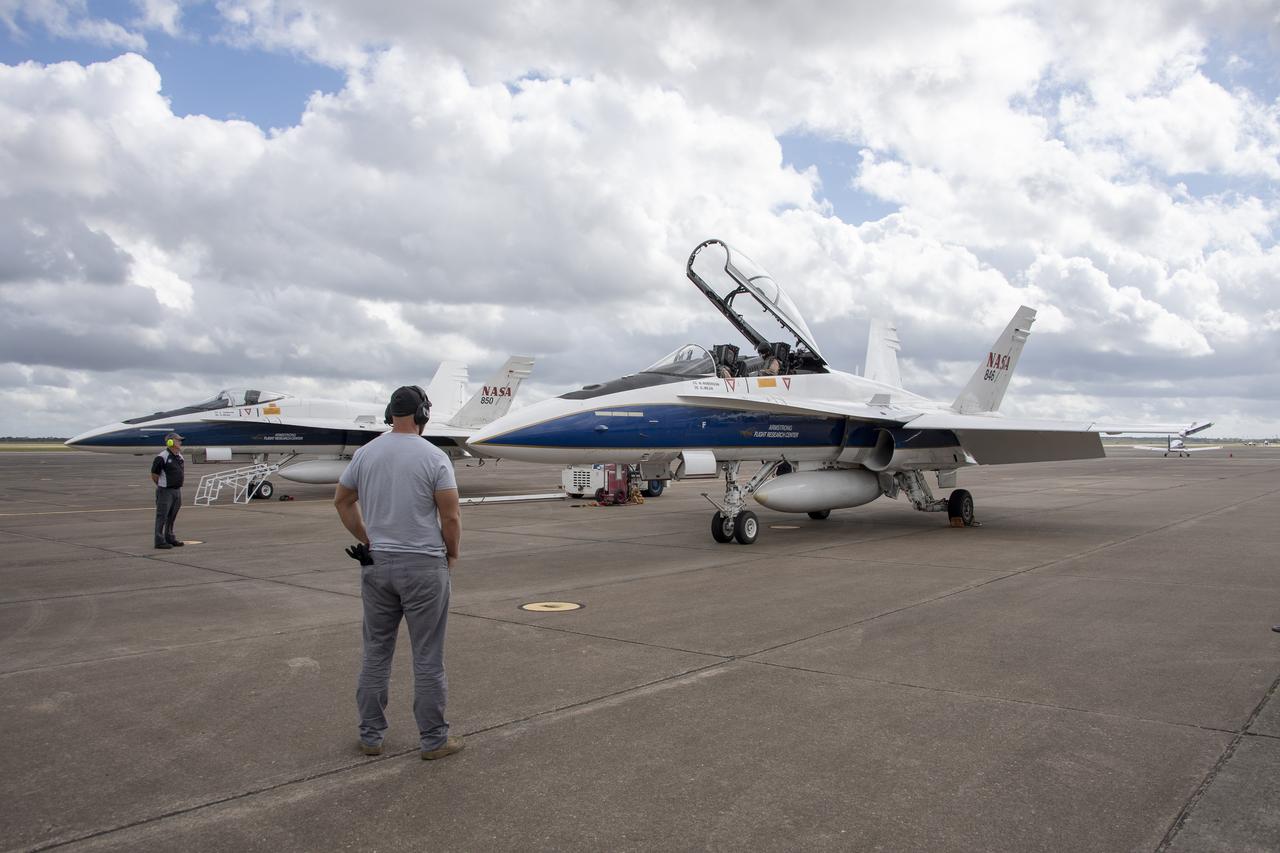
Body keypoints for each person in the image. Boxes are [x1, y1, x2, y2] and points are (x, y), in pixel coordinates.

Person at [334, 385, 464, 761]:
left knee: (376, 653)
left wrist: (368, 537)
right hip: (424, 566)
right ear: (423, 415)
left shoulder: (366, 453)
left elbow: (342, 501)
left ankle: (370, 736)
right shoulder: (435, 457)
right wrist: (451, 553)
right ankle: (434, 740)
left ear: (391, 414)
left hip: (377, 565)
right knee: (427, 657)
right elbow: (450, 515)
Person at [150, 432, 185, 549]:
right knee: (162, 516)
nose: (180, 442)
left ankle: (169, 537)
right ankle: (159, 540)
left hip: (177, 490)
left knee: (172, 516)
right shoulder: (162, 456)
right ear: (170, 442)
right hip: (165, 491)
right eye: (178, 440)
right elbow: (154, 474)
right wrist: (162, 485)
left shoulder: (179, 456)